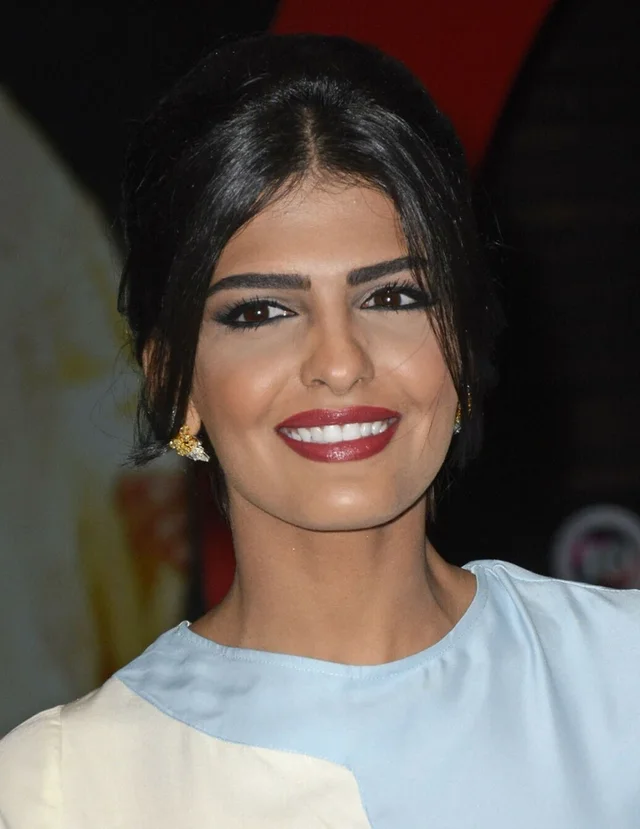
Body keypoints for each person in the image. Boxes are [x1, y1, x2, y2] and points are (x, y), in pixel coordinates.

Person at [0, 33, 638, 829]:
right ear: (173, 384)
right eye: (261, 311)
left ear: (462, 348)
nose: (339, 362)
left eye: (393, 298)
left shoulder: (618, 678)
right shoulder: (65, 785)